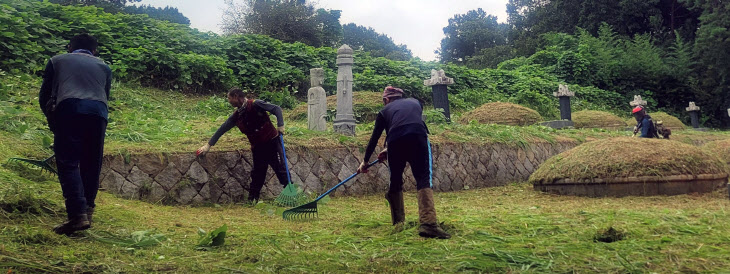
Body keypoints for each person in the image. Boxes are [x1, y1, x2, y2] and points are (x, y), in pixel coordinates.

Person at [39, 34, 112, 235]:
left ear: (70, 47)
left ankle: (77, 215)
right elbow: (105, 95)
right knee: (91, 163)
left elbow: (45, 94)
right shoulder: (104, 66)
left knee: (69, 162)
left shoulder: (57, 61)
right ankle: (87, 212)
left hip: (69, 109)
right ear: (94, 51)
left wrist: (52, 120)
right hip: (99, 114)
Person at [357, 86, 451, 239]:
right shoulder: (415, 103)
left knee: (395, 181)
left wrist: (365, 162)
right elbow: (409, 123)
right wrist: (388, 149)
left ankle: (398, 222)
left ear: (386, 100)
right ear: (401, 97)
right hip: (418, 137)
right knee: (423, 178)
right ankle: (428, 224)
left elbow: (376, 138)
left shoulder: (384, 112)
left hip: (395, 140)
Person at [197, 88, 288, 203]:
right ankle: (252, 200)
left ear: (236, 96)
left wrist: (281, 125)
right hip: (258, 147)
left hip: (272, 142)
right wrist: (208, 145)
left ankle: (292, 195)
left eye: (229, 98)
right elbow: (222, 129)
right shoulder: (237, 115)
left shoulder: (255, 104)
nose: (228, 101)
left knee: (281, 170)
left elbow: (276, 109)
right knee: (257, 174)